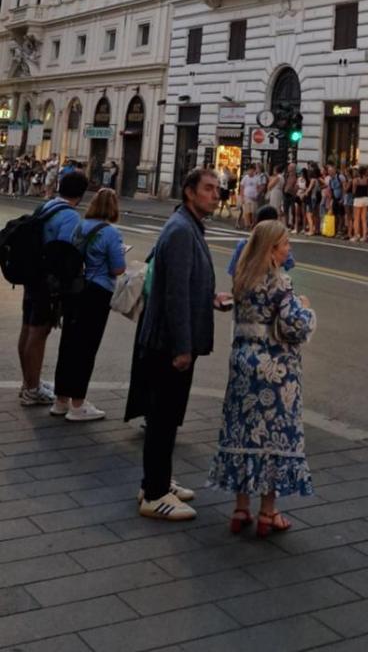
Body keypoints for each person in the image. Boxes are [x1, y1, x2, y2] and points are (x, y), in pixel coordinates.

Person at [131, 167, 227, 521]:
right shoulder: (183, 230)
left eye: (217, 189)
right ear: (189, 192)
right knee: (163, 417)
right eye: (208, 188)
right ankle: (155, 495)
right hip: (168, 343)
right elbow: (175, 294)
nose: (216, 195)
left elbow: (185, 283)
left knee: (167, 417)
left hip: (168, 338)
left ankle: (156, 481)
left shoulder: (187, 225)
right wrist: (182, 347)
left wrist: (209, 297)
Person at [209, 220, 315, 534]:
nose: (289, 249)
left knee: (242, 432)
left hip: (243, 362)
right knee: (273, 436)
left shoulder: (242, 279)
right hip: (274, 367)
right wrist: (305, 308)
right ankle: (268, 512)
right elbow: (294, 325)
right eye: (285, 244)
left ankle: (241, 508)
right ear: (271, 250)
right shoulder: (280, 282)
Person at [51, 188, 126, 421]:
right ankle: (78, 404)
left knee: (68, 344)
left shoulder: (80, 226)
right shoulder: (111, 233)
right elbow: (118, 268)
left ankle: (61, 400)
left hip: (75, 289)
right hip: (97, 292)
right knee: (87, 347)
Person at [17, 170, 89, 407]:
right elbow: (64, 252)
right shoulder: (70, 216)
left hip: (32, 275)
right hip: (47, 282)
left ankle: (28, 383)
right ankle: (32, 390)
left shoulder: (47, 206)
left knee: (28, 328)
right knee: (39, 332)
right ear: (81, 194)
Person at [239, 163, 261, 229]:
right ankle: (247, 225)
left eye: (251, 170)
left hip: (254, 197)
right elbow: (242, 187)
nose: (250, 172)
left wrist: (257, 194)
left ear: (254, 171)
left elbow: (258, 187)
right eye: (249, 170)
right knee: (247, 212)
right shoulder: (245, 177)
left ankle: (252, 224)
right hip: (246, 196)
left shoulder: (257, 178)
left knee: (253, 212)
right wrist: (242, 197)